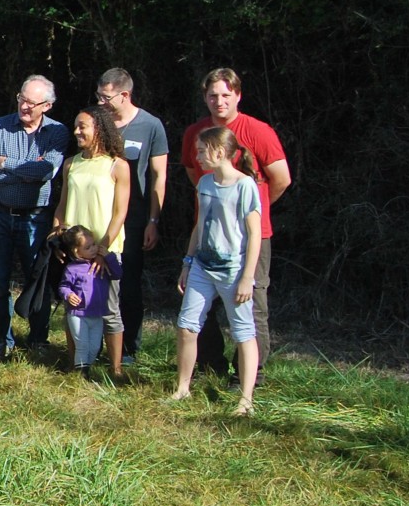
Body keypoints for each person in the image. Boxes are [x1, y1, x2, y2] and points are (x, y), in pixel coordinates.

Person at [180, 68, 290, 374]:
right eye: (213, 95)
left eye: (226, 95)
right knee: (203, 304)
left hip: (252, 237)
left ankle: (250, 374)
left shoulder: (258, 131)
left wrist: (248, 212)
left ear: (238, 96)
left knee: (251, 305)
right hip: (209, 236)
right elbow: (194, 174)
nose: (219, 101)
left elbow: (281, 179)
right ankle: (210, 364)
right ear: (204, 97)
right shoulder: (195, 134)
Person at [170, 127, 263, 415]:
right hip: (202, 267)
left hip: (233, 271)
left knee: (243, 333)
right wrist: (187, 262)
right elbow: (200, 226)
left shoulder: (245, 186)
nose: (196, 156)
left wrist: (247, 277)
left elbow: (255, 234)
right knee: (187, 327)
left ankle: (245, 401)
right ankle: (182, 388)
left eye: (200, 150)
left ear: (219, 152)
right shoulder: (205, 183)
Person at [0, 75, 68, 358]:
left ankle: (39, 339)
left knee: (37, 279)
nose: (25, 106)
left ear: (47, 106)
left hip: (36, 218)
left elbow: (44, 172)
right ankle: (0, 339)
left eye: (32, 102)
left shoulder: (57, 132)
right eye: (22, 99)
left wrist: (6, 164)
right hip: (0, 215)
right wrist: (25, 172)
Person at [52, 104, 132, 380]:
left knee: (109, 311)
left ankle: (116, 368)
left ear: (99, 129)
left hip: (104, 253)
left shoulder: (117, 166)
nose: (76, 131)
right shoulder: (71, 164)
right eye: (76, 126)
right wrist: (57, 237)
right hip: (75, 253)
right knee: (73, 307)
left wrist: (103, 250)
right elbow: (62, 205)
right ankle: (77, 364)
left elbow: (120, 212)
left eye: (82, 126)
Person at [97, 68, 169, 357]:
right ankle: (94, 345)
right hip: (99, 216)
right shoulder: (98, 122)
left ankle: (128, 349)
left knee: (126, 284)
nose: (101, 102)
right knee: (95, 282)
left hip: (134, 221)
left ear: (125, 95)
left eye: (106, 96)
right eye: (98, 95)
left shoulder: (151, 126)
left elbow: (159, 176)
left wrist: (153, 220)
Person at [56, 225, 123, 375]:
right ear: (76, 251)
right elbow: (64, 286)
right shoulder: (72, 268)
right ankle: (82, 374)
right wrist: (68, 295)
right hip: (78, 314)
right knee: (82, 345)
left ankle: (86, 367)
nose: (93, 249)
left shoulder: (101, 265)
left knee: (94, 347)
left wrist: (108, 256)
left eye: (94, 244)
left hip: (98, 314)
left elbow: (117, 274)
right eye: (88, 247)